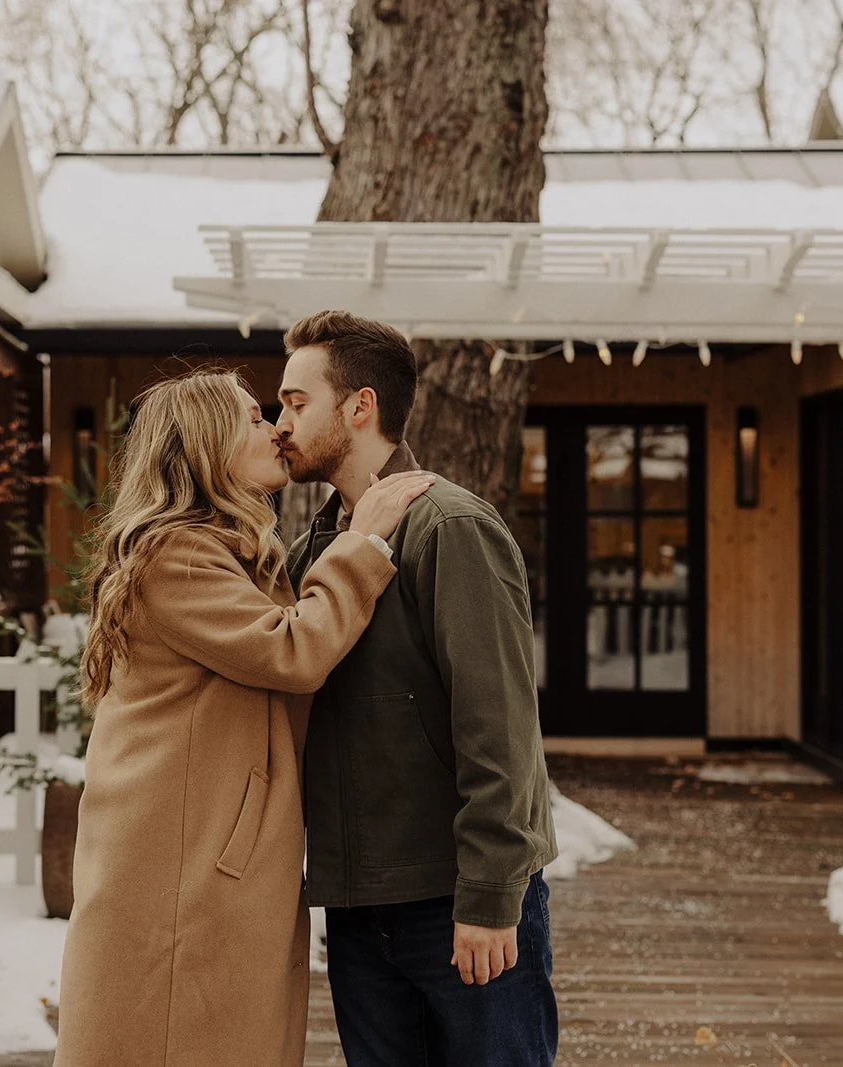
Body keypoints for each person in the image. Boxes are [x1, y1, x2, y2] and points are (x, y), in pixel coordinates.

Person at [53, 368, 435, 1066]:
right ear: (207, 443)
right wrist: (366, 545)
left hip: (203, 862)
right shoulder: (175, 554)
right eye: (254, 417)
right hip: (180, 882)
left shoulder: (220, 547)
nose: (276, 427)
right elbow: (291, 650)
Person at [277, 310, 561, 1067]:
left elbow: (498, 726)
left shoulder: (449, 526)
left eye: (296, 403)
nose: (281, 424)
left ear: (359, 406)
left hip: (458, 905)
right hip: (362, 910)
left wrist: (492, 897)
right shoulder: (315, 546)